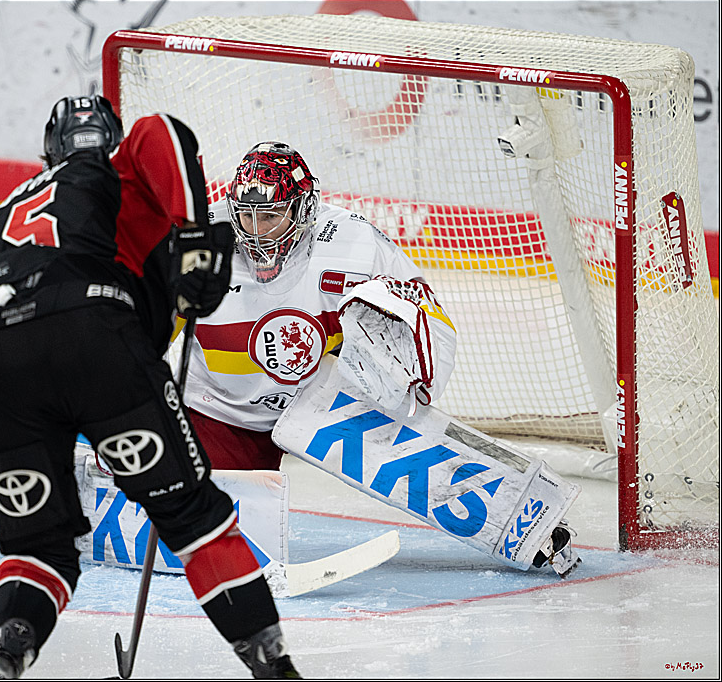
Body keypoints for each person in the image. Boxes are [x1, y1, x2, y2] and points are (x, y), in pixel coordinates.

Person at [0, 99, 300, 679]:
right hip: (91, 325)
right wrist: (193, 234)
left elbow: (52, 316)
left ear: (49, 152)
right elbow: (161, 131)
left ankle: (2, 659)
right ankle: (274, 667)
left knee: (38, 548)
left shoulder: (13, 205)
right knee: (193, 516)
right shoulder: (116, 169)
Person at [175, 141, 579, 577]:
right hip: (220, 406)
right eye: (246, 216)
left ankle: (532, 527)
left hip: (323, 398)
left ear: (303, 208)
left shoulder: (352, 243)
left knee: (413, 455)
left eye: (270, 216)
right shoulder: (199, 245)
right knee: (202, 537)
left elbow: (427, 313)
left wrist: (414, 376)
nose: (257, 232)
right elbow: (143, 330)